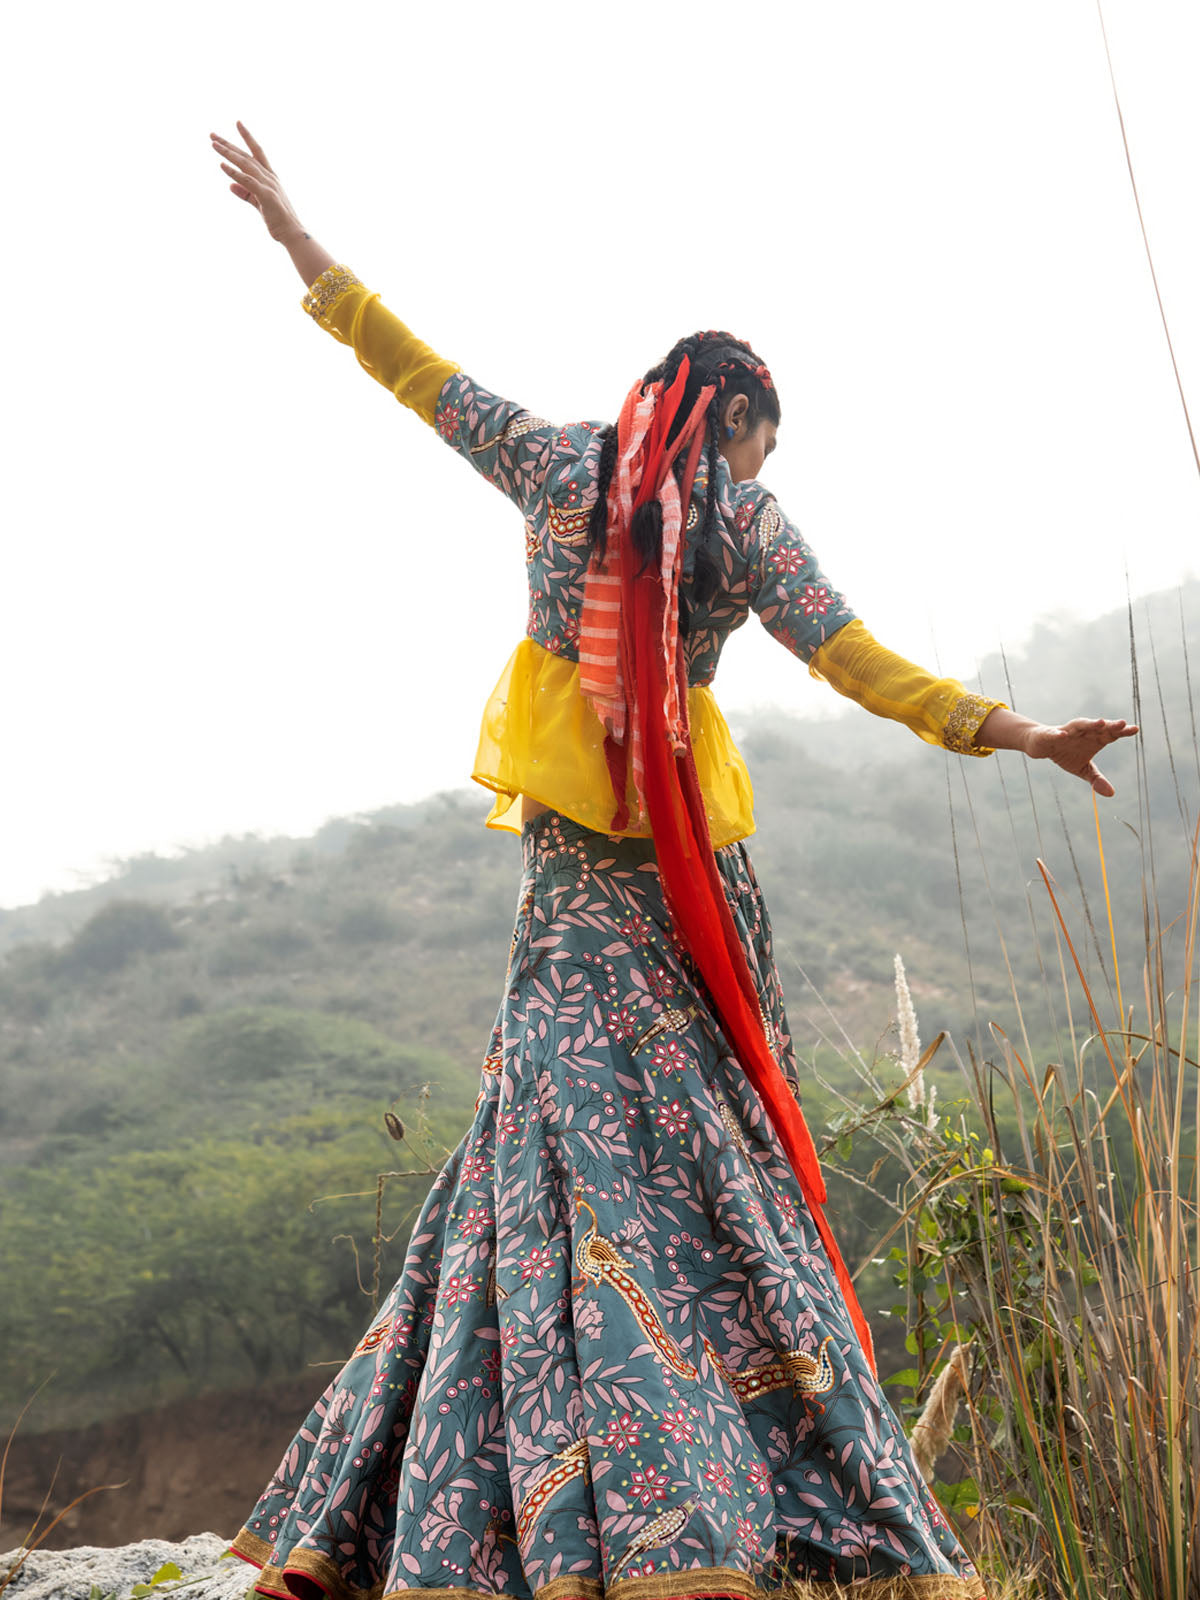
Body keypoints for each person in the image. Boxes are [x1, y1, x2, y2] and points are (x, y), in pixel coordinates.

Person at [210, 123, 1136, 1600]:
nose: (760, 465)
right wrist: (1011, 733)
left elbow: (411, 368)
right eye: (763, 439)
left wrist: (292, 236)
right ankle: (715, 1485)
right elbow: (854, 659)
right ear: (736, 419)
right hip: (688, 892)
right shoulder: (746, 521)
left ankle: (514, 1508)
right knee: (707, 1158)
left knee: (551, 1152)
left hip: (579, 884)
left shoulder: (559, 462)